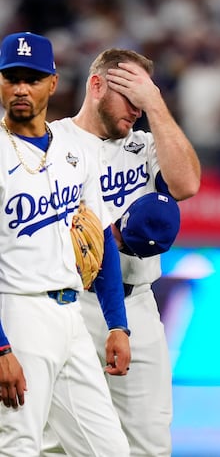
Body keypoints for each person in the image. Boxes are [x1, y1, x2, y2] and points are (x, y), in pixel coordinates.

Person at [43, 48, 201, 457]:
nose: (137, 110)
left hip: (137, 306)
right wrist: (97, 237)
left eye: (144, 99)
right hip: (67, 304)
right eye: (131, 97)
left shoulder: (146, 145)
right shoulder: (53, 142)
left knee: (149, 442)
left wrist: (155, 105)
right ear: (96, 85)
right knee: (54, 443)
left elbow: (186, 185)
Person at [0, 32, 131, 456]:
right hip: (17, 311)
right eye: (12, 77)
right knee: (18, 445)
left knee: (108, 449)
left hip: (71, 316)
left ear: (53, 83)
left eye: (33, 79)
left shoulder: (76, 148)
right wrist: (1, 346)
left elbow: (104, 241)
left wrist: (117, 324)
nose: (21, 88)